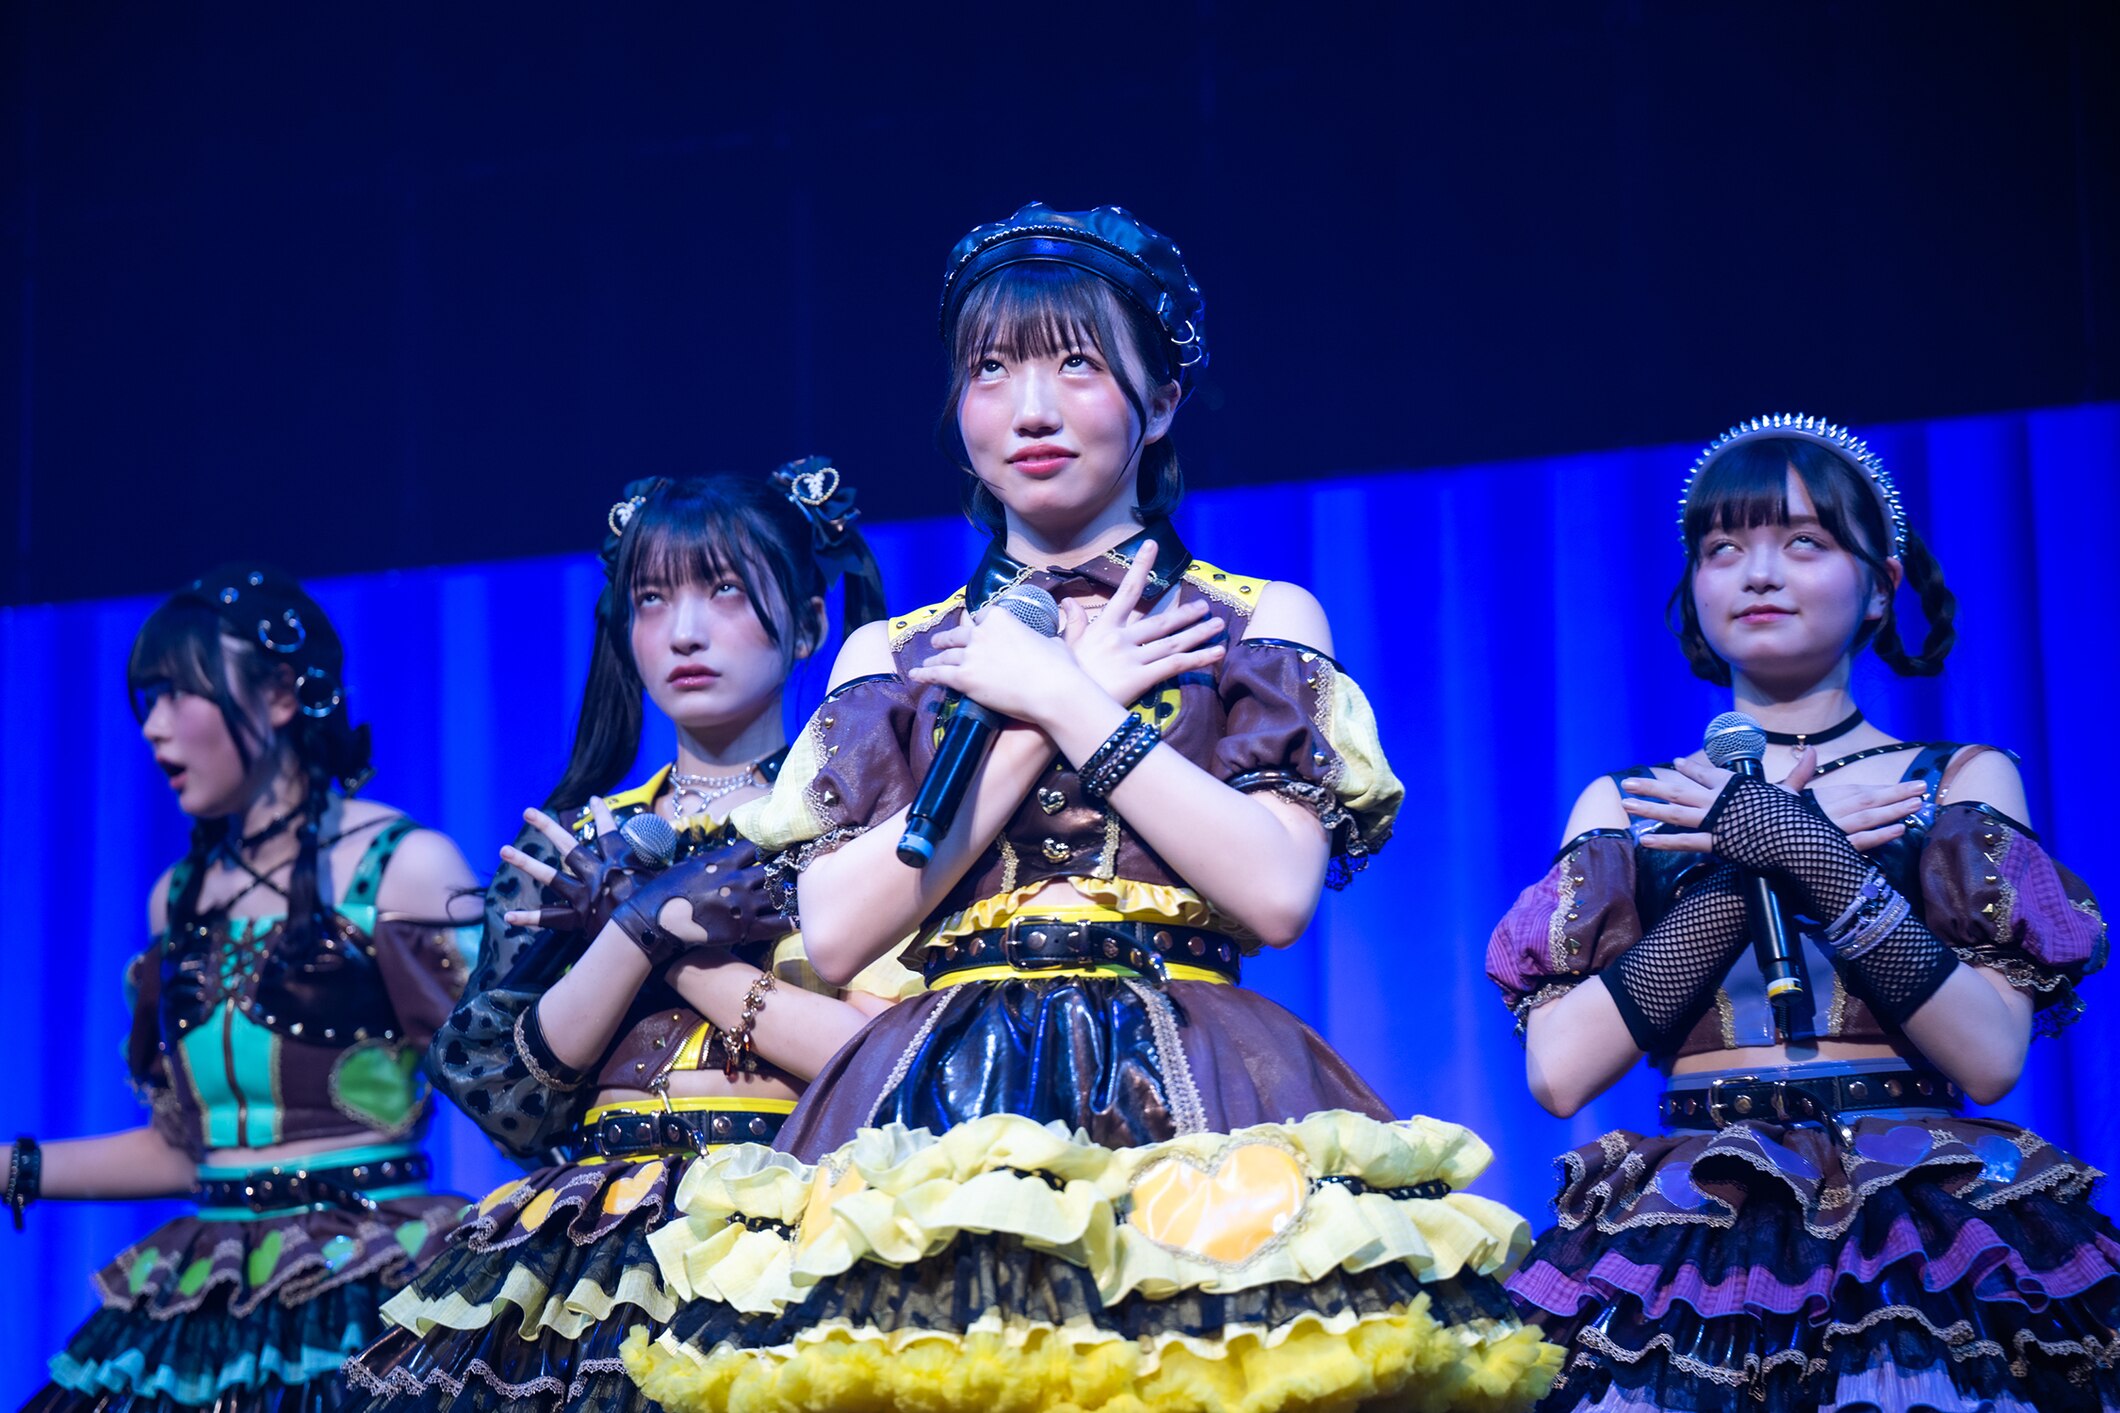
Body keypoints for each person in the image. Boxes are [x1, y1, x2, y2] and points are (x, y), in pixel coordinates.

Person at [624, 204, 1559, 1413]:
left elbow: (1276, 894)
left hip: (1189, 1082)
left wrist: (1074, 703)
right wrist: (1041, 711)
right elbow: (841, 931)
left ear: (1158, 401)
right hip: (940, 1097)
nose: (1029, 409)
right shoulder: (894, 655)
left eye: (1074, 364)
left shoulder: (1250, 621)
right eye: (989, 370)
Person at [1487, 414, 2117, 1411]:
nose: (1758, 573)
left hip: (1913, 1219)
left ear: (1881, 586)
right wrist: (1749, 866)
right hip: (1694, 1218)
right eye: (1722, 548)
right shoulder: (1634, 805)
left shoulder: (1952, 780)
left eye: (1804, 542)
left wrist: (1809, 853)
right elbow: (1558, 1074)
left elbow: (1992, 1055)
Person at [341, 466, 917, 1412]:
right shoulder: (573, 840)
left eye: (724, 589)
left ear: (811, 623)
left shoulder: (859, 822)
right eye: (651, 599)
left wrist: (654, 936)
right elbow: (512, 1099)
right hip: (594, 1243)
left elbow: (890, 1060)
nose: (683, 631)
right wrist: (640, 924)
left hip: (789, 1219)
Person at [13, 566, 482, 1413]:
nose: (153, 727)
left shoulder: (404, 866)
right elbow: (189, 1149)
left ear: (281, 695)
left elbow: (514, 1088)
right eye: (147, 700)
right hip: (211, 1292)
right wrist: (18, 1165)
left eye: (179, 693)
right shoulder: (177, 898)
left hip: (373, 1278)